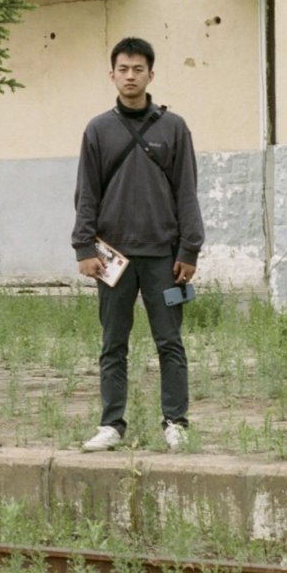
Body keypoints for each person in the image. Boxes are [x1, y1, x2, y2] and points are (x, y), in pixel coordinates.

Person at [71, 36, 201, 451]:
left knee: (170, 341)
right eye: (123, 69)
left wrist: (189, 251)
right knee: (113, 343)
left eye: (138, 69)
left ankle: (175, 422)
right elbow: (86, 194)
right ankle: (111, 425)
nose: (130, 76)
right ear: (112, 75)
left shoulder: (174, 127)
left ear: (150, 74)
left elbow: (187, 191)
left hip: (164, 257)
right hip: (113, 259)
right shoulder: (98, 130)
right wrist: (84, 250)